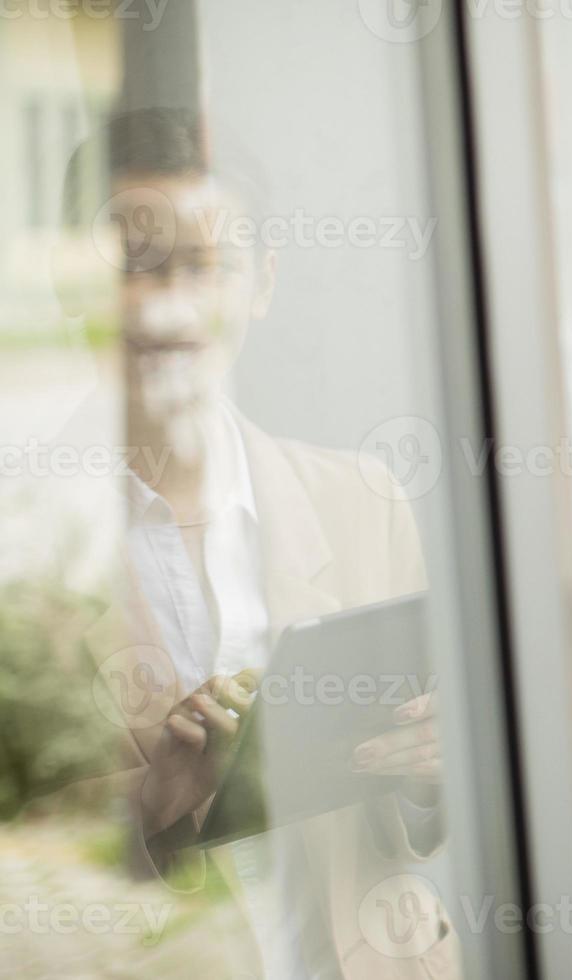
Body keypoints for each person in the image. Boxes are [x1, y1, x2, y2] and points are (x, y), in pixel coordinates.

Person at [31, 106, 460, 979]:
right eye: (133, 267)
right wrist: (148, 812)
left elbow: (425, 819)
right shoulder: (23, 545)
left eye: (206, 265)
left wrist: (431, 767)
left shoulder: (363, 502)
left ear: (260, 283)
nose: (172, 305)